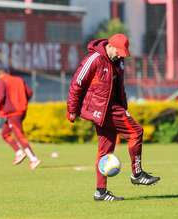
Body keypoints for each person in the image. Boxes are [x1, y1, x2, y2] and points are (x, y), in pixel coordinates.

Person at [67, 33, 160, 201]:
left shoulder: (119, 61)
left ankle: (100, 192)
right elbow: (77, 83)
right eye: (119, 52)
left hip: (111, 108)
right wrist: (72, 109)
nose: (120, 55)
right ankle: (137, 173)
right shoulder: (94, 58)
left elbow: (119, 87)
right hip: (102, 108)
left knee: (105, 151)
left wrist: (124, 106)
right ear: (110, 46)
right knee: (136, 132)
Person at [0, 69, 41, 170]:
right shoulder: (19, 79)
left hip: (13, 113)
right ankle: (19, 152)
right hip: (21, 111)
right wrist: (22, 101)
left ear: (0, 75)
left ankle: (33, 159)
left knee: (19, 136)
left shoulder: (3, 80)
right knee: (5, 133)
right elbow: (29, 92)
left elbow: (0, 97)